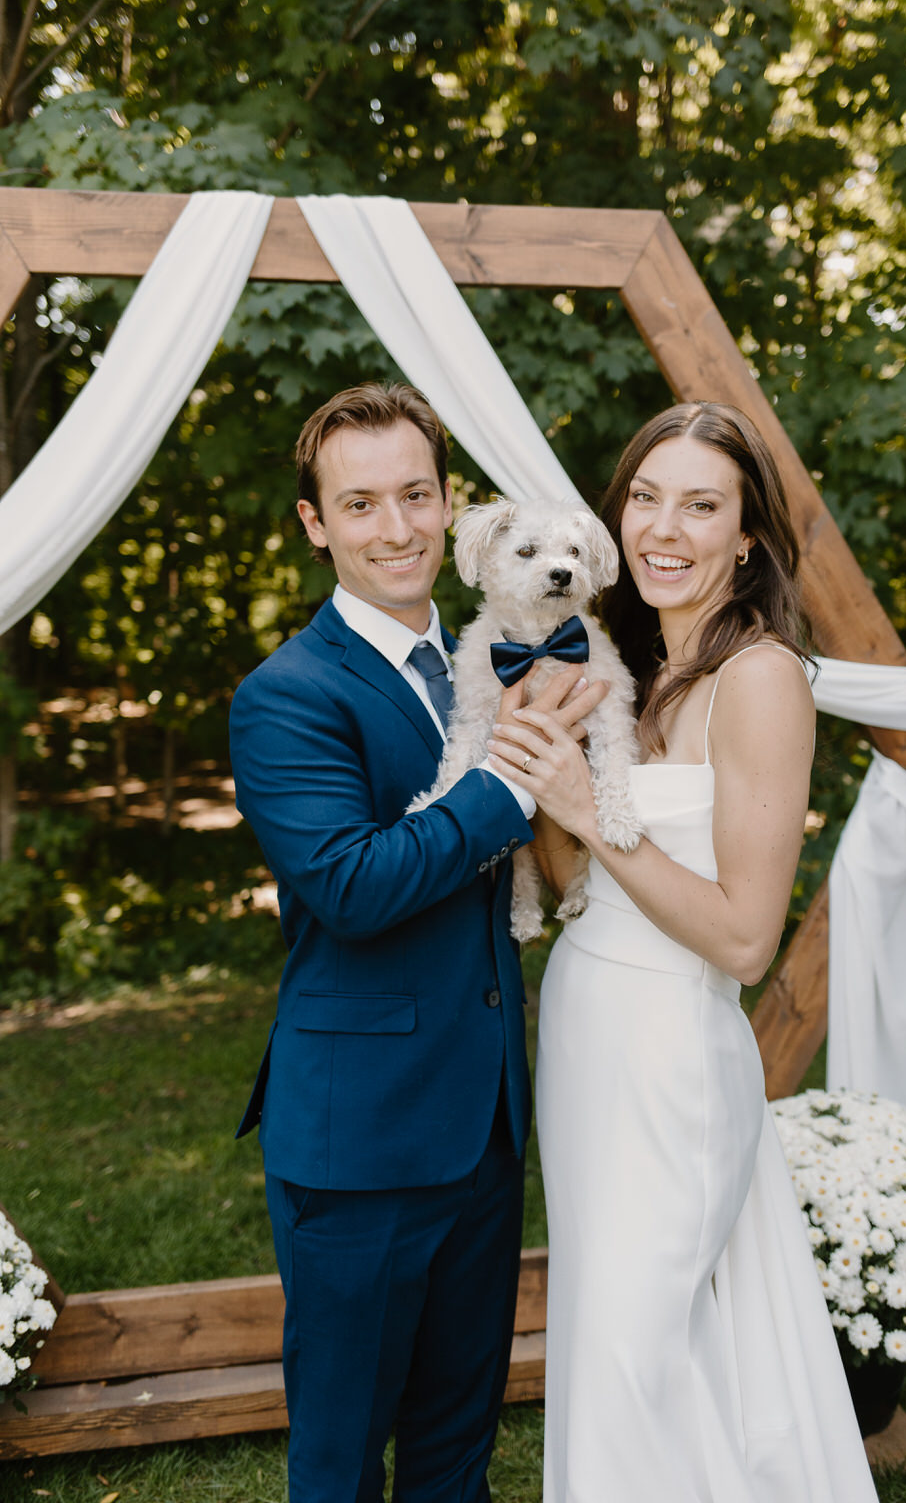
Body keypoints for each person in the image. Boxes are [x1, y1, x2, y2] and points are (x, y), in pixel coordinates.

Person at [489, 402, 879, 1502]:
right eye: (645, 496)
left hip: (669, 1053)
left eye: (700, 504)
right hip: (587, 1024)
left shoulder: (759, 677)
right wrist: (543, 789)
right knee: (617, 1337)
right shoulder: (637, 667)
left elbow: (746, 938)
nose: (664, 526)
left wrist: (581, 801)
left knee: (632, 1341)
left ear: (745, 534)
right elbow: (575, 884)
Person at [229, 382, 601, 1503]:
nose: (393, 528)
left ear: (449, 506)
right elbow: (349, 884)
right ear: (313, 522)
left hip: (485, 1125)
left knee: (456, 1450)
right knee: (341, 1461)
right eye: (359, 504)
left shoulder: (505, 656)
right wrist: (508, 774)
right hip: (358, 1139)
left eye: (413, 495)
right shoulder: (285, 694)